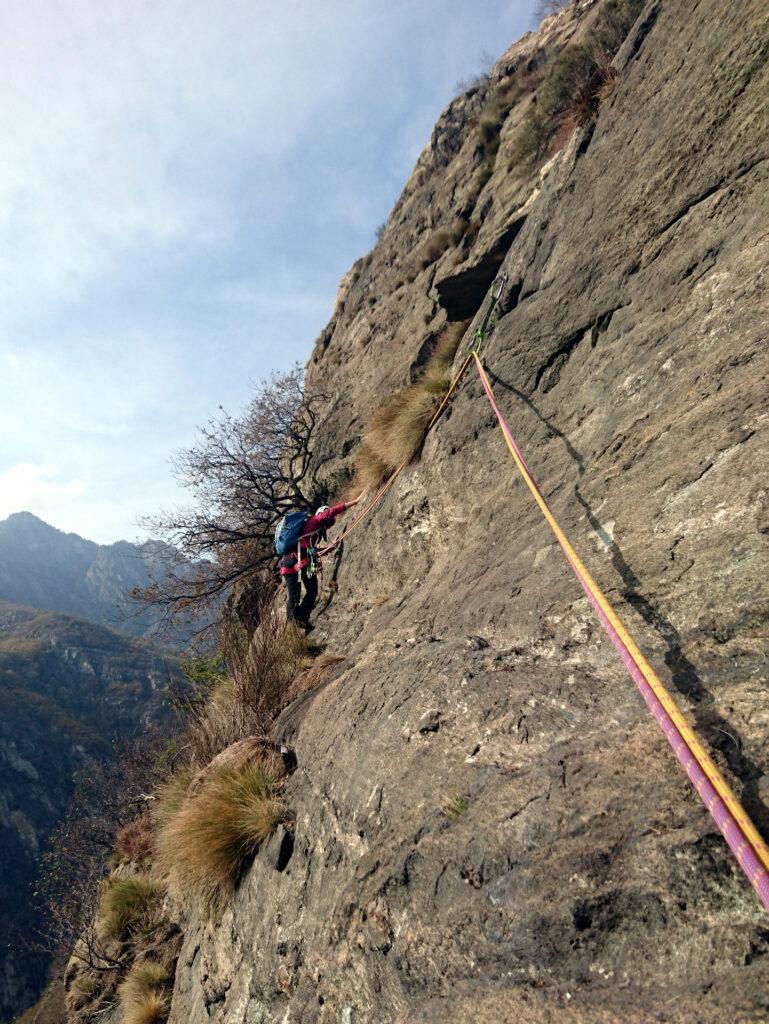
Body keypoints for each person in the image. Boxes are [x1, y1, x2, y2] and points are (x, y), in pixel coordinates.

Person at [280, 497, 360, 629]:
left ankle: (293, 624)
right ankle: (299, 619)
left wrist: (332, 547)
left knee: (294, 596)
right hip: (299, 561)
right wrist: (353, 502)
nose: (329, 524)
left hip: (288, 563)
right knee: (311, 591)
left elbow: (313, 551)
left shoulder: (309, 532)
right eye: (328, 522)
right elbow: (330, 513)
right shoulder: (315, 520)